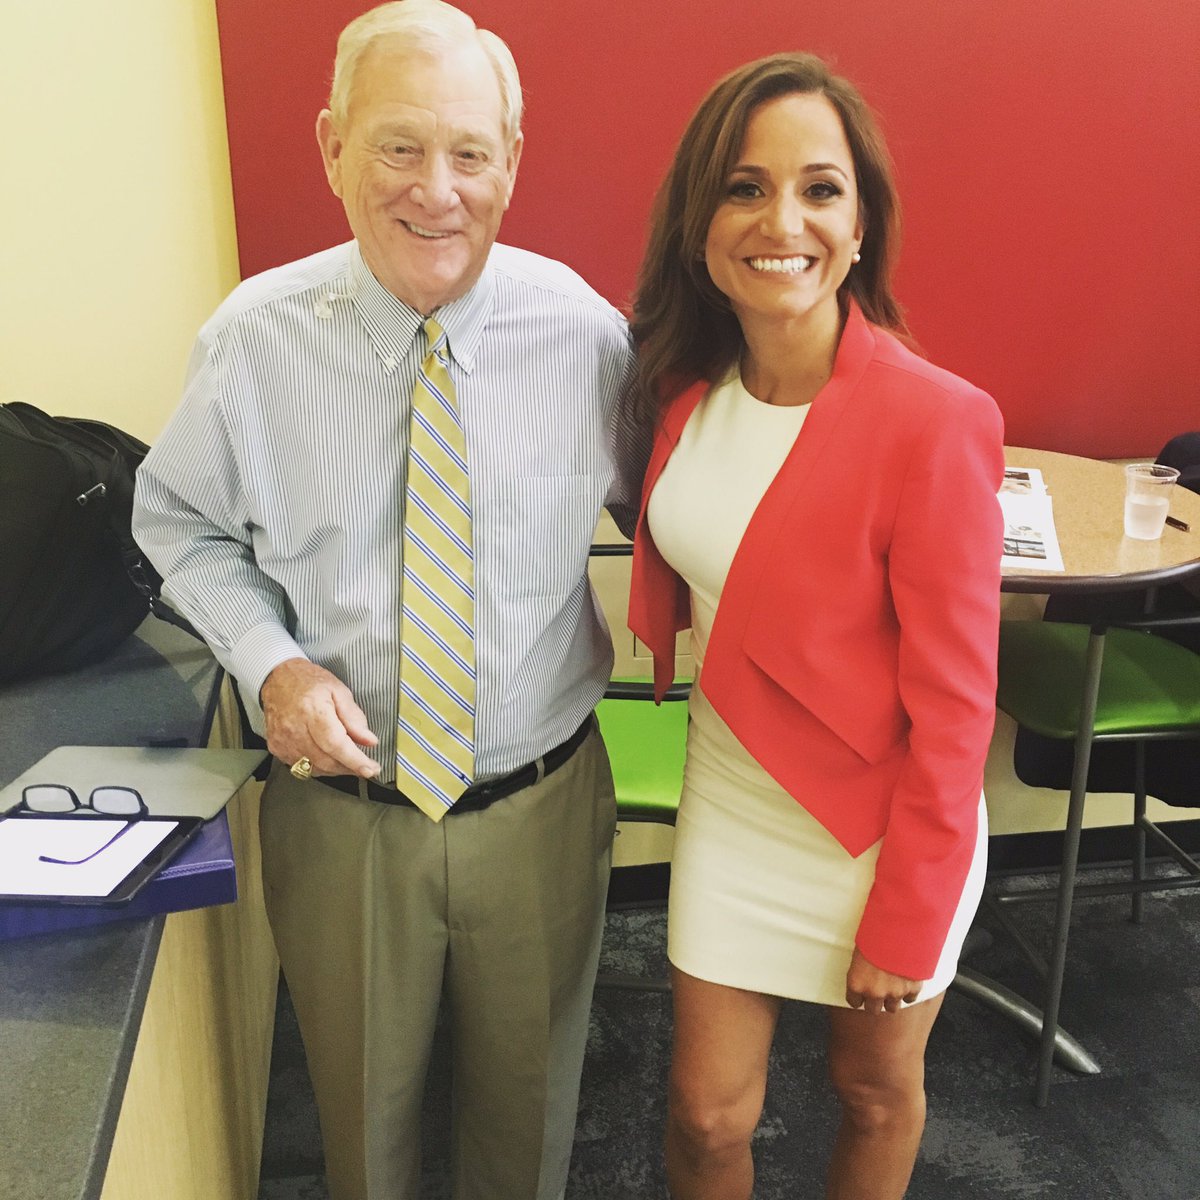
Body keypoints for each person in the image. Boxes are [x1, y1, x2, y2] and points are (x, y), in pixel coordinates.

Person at [133, 3, 644, 1198]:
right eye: (399, 147)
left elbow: (683, 513)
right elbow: (179, 525)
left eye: (470, 152)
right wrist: (272, 662)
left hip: (539, 809)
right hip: (344, 821)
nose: (437, 190)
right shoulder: (251, 343)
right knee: (363, 1132)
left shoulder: (586, 338)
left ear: (512, 161)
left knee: (528, 1131)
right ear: (332, 147)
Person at [626, 53, 1004, 1200]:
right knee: (704, 1118)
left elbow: (957, 711)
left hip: (881, 830)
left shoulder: (935, 422)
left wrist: (910, 910)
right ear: (700, 223)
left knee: (872, 1094)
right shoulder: (681, 395)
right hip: (734, 798)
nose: (782, 222)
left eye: (820, 189)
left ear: (861, 223)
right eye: (744, 188)